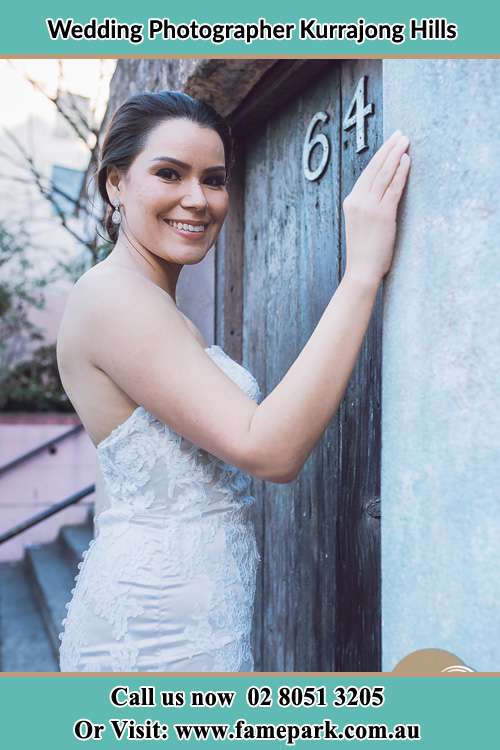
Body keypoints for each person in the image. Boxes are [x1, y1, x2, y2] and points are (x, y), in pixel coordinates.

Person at [56, 90, 410, 672]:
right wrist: (362, 274)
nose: (197, 199)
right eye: (169, 173)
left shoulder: (149, 301)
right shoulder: (112, 296)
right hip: (154, 640)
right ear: (116, 183)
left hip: (186, 625)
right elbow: (268, 449)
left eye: (214, 179)